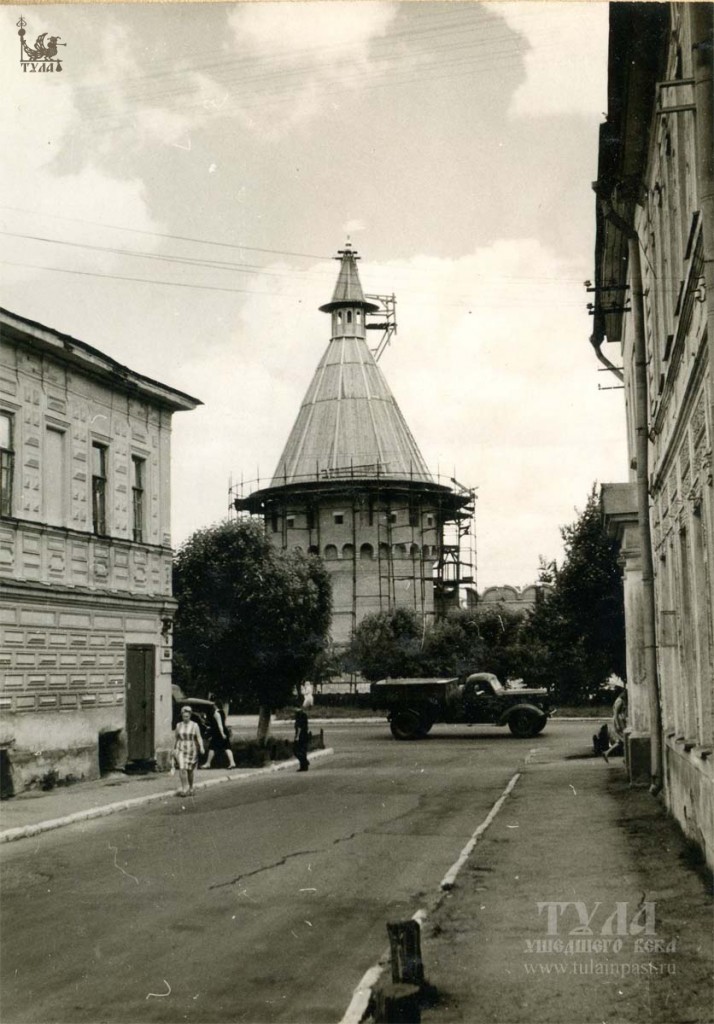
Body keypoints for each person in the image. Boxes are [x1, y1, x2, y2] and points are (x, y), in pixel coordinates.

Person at [173, 705, 204, 796]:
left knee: (190, 770)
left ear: (190, 716)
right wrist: (174, 749)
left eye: (187, 716)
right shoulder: (178, 725)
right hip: (181, 748)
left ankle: (191, 787)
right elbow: (176, 738)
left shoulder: (195, 725)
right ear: (182, 716)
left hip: (191, 749)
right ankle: (184, 789)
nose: (185, 718)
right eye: (184, 716)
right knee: (182, 768)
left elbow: (199, 737)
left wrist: (201, 747)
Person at [200, 698, 236, 770]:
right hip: (222, 731)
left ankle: (208, 763)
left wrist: (222, 734)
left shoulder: (216, 713)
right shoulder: (222, 712)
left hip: (218, 733)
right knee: (227, 747)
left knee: (212, 747)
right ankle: (232, 762)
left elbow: (220, 725)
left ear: (216, 705)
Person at [603, 687, 627, 762]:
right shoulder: (619, 701)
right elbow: (616, 713)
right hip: (619, 720)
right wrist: (618, 724)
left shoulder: (621, 700)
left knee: (621, 741)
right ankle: (626, 758)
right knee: (625, 740)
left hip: (620, 720)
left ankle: (606, 753)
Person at [293, 707, 310, 772]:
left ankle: (304, 762)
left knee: (296, 750)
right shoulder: (304, 715)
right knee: (303, 751)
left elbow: (299, 727)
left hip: (300, 736)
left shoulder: (299, 715)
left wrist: (297, 737)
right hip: (305, 735)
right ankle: (304, 766)